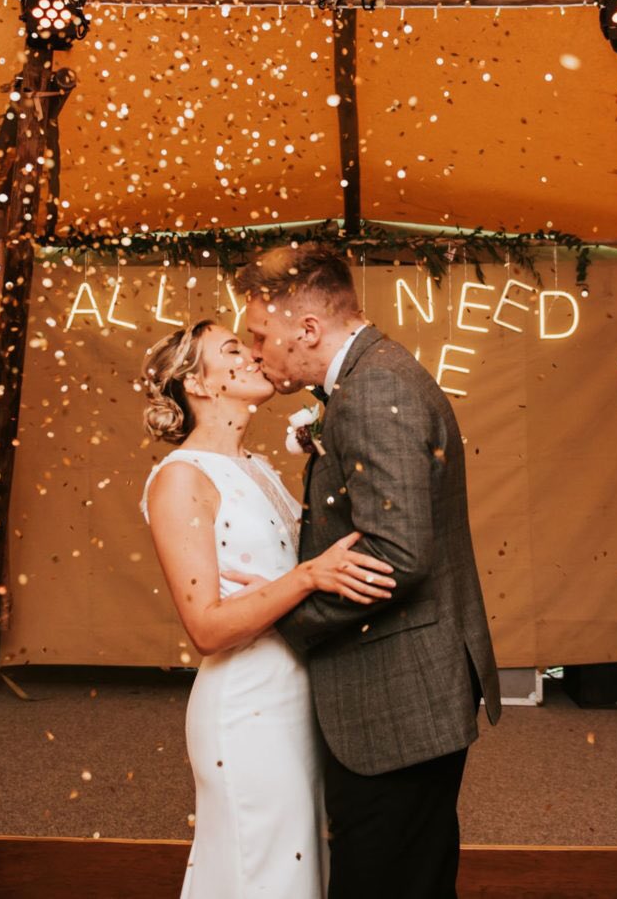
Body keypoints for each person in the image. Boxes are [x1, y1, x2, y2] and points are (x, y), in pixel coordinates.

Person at [235, 242, 502, 899]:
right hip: (414, 681)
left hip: (398, 696)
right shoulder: (370, 377)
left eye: (261, 335)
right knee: (414, 871)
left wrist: (287, 615)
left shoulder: (373, 389)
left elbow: (400, 554)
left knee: (384, 877)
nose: (256, 351)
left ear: (307, 330)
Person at [140, 319, 395, 899]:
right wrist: (305, 576)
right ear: (197, 385)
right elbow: (206, 627)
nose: (255, 355)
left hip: (297, 697)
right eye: (232, 350)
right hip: (246, 707)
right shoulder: (180, 479)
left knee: (297, 869)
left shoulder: (259, 468)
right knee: (260, 870)